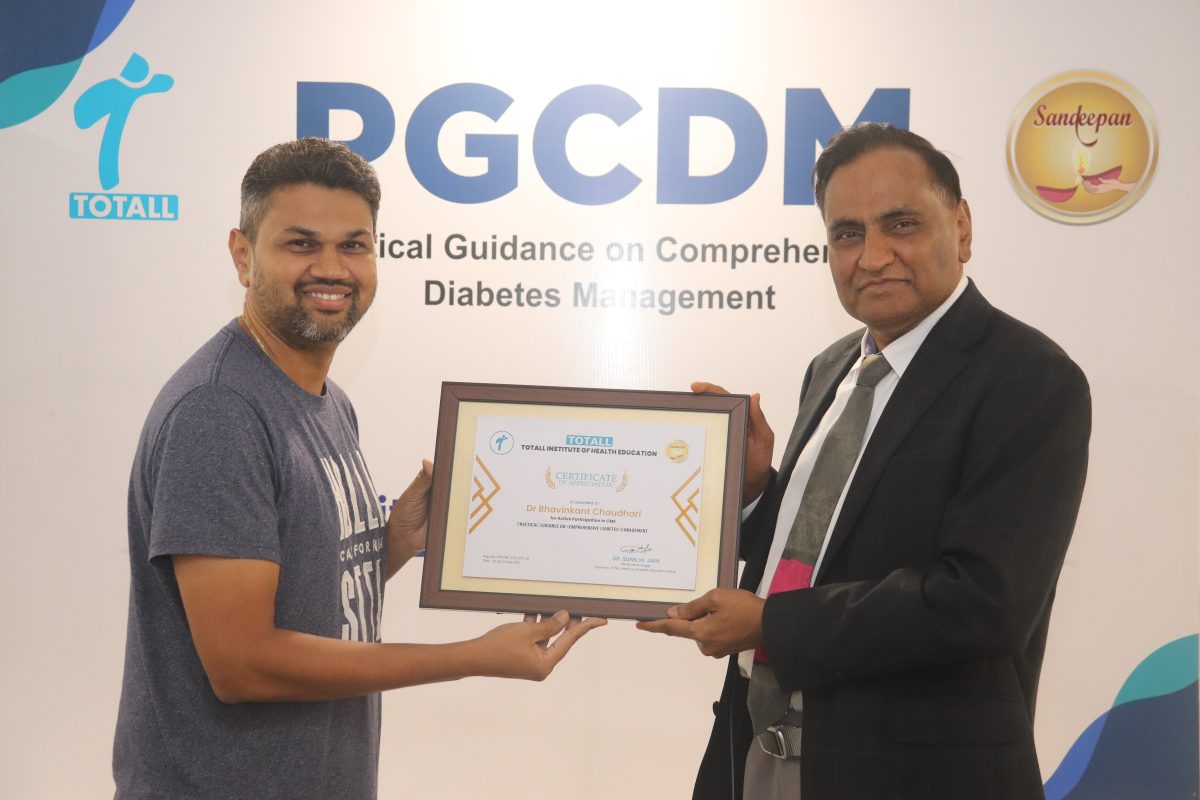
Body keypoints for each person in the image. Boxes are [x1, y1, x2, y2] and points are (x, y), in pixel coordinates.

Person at [112, 138, 605, 799]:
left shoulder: (326, 400)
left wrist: (393, 542)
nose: (331, 268)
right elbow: (243, 665)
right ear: (242, 255)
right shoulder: (219, 410)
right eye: (301, 244)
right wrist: (471, 657)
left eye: (354, 245)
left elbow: (307, 589)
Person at [639, 123, 1090, 799]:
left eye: (901, 224)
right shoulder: (832, 368)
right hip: (761, 750)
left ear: (962, 227)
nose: (874, 257)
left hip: (915, 777)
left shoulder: (1029, 378)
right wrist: (758, 492)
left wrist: (770, 625)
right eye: (848, 233)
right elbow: (827, 554)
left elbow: (981, 601)